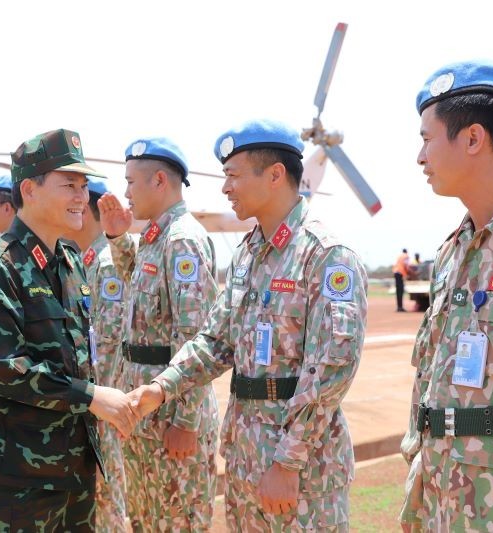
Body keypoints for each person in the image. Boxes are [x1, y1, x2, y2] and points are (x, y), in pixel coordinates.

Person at [128, 119, 368, 531]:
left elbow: (332, 370)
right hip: (244, 457)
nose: (225, 188)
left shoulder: (325, 256)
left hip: (298, 469)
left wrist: (287, 462)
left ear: (275, 175)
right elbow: (216, 341)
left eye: (233, 176)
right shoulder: (248, 255)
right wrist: (162, 388)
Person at [0, 128, 139, 531]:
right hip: (16, 475)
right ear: (30, 190)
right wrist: (91, 397)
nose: (81, 197)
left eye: (84, 185)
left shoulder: (69, 258)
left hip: (74, 467)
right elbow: (3, 369)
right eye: (68, 184)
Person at [399, 61, 493, 531]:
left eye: (426, 138)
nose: (420, 156)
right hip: (443, 497)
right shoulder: (455, 248)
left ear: (473, 138)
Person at [98, 137, 219, 531]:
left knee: (177, 520)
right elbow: (139, 283)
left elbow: (197, 335)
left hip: (171, 412)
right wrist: (118, 239)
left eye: (132, 182)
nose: (127, 192)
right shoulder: (155, 236)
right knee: (148, 520)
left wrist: (186, 420)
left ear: (160, 181)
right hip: (145, 408)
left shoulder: (183, 239)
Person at [63, 176, 128, 532]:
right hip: (93, 402)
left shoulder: (104, 264)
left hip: (100, 403)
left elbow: (106, 342)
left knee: (105, 501)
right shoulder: (83, 260)